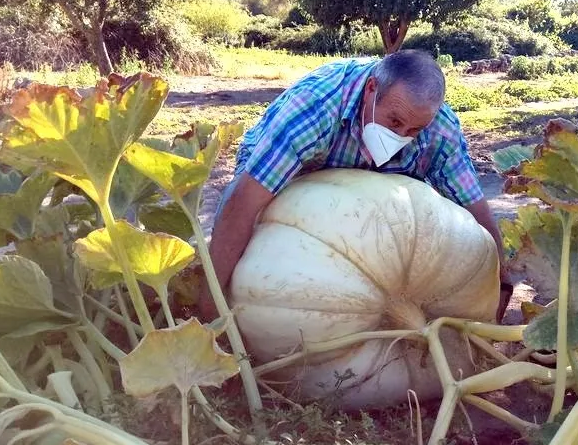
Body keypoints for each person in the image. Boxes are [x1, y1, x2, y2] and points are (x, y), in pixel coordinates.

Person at [198, 49, 513, 322]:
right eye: (394, 122)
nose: (402, 135)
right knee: (267, 250)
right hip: (294, 173)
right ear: (371, 89)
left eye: (415, 129)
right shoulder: (316, 107)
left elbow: (472, 203)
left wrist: (501, 281)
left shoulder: (439, 129)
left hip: (365, 183)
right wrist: (211, 303)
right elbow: (244, 200)